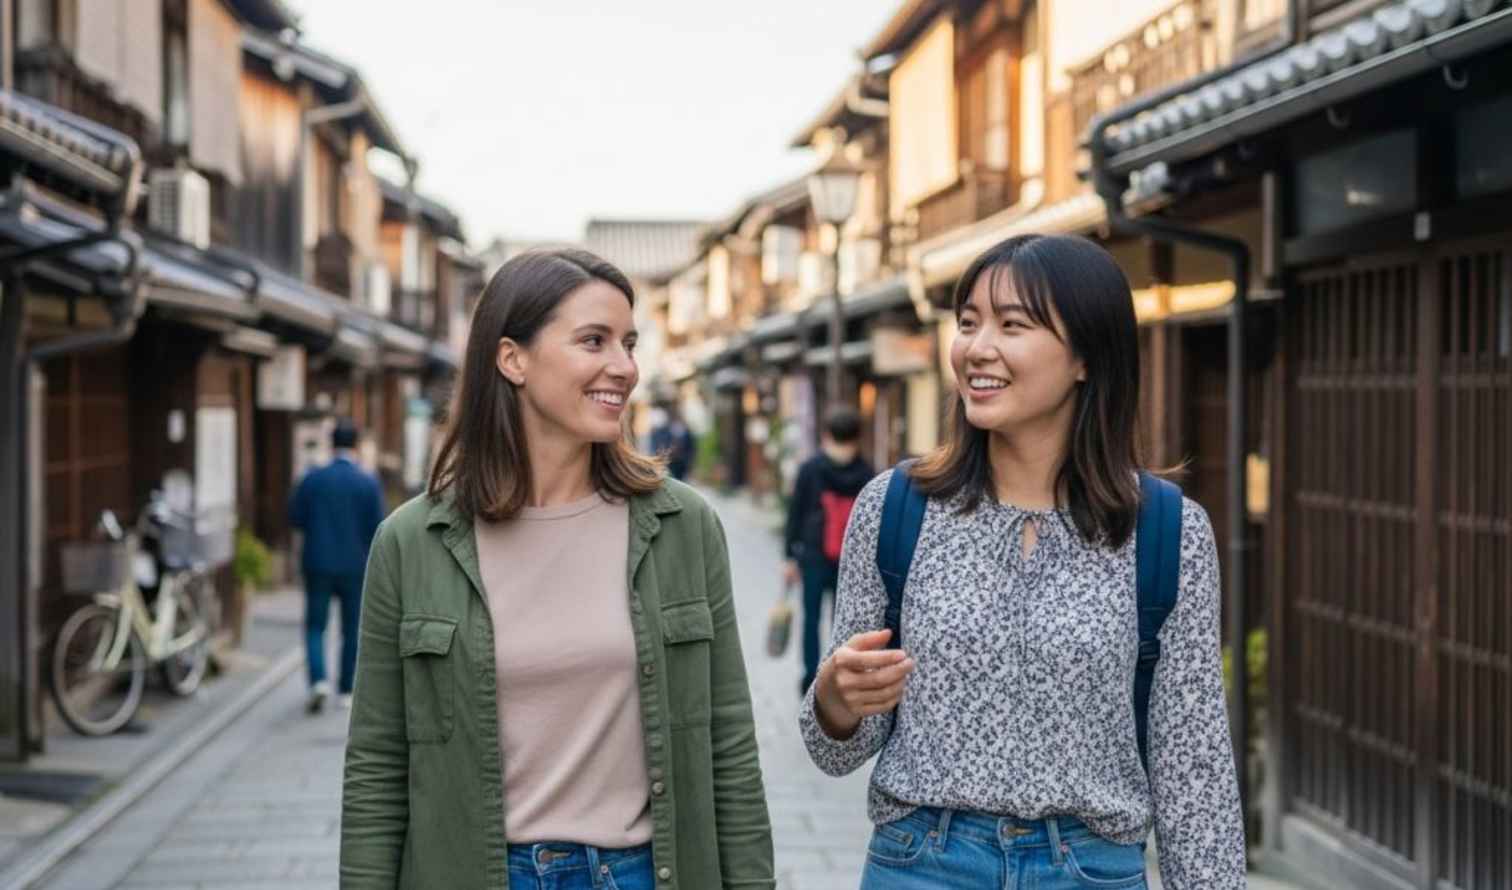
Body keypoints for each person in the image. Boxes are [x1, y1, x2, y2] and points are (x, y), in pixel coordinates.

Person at [798, 234, 1246, 889]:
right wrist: (836, 701)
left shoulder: (1168, 531)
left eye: (1012, 325)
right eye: (969, 323)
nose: (977, 348)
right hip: (923, 864)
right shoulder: (895, 508)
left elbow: (1192, 761)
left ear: (1086, 357)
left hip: (1092, 869)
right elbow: (837, 747)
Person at [341, 247, 775, 890]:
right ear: (512, 358)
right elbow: (378, 764)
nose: (623, 368)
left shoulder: (683, 528)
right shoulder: (412, 543)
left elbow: (729, 745)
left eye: (628, 343)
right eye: (593, 341)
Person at [288, 419, 385, 714]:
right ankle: (345, 689)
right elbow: (377, 527)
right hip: (355, 565)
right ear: (356, 446)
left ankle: (318, 681)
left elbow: (295, 517)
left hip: (317, 561)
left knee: (316, 625)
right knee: (351, 627)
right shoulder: (367, 482)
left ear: (332, 445)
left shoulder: (313, 478)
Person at [782, 405, 874, 695]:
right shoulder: (867, 473)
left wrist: (789, 556)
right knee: (843, 622)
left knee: (811, 619)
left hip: (813, 555)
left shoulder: (810, 469)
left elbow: (795, 513)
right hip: (850, 560)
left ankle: (811, 678)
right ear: (858, 437)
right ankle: (838, 678)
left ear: (826, 435)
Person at [649, 401, 695, 480]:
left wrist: (688, 461)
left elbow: (691, 447)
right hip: (670, 462)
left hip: (682, 462)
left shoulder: (686, 430)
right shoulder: (663, 429)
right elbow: (660, 444)